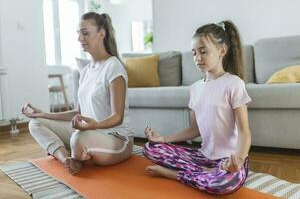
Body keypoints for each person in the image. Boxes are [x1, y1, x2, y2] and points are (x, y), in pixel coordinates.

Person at [143, 20, 251, 195]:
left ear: (222, 51)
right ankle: (204, 173)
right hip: (203, 156)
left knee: (225, 184)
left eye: (203, 51)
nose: (197, 58)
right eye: (194, 53)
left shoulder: (234, 84)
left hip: (228, 160)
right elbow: (194, 130)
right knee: (150, 148)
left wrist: (238, 160)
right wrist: (163, 139)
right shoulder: (195, 88)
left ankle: (176, 174)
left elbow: (245, 132)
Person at [22, 12, 133, 175]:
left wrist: (94, 125)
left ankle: (76, 153)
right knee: (35, 123)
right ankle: (66, 159)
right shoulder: (86, 70)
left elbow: (118, 117)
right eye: (78, 33)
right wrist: (44, 114)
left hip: (117, 140)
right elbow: (79, 113)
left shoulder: (114, 67)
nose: (80, 38)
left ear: (101, 34)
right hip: (89, 133)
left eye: (85, 33)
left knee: (78, 139)